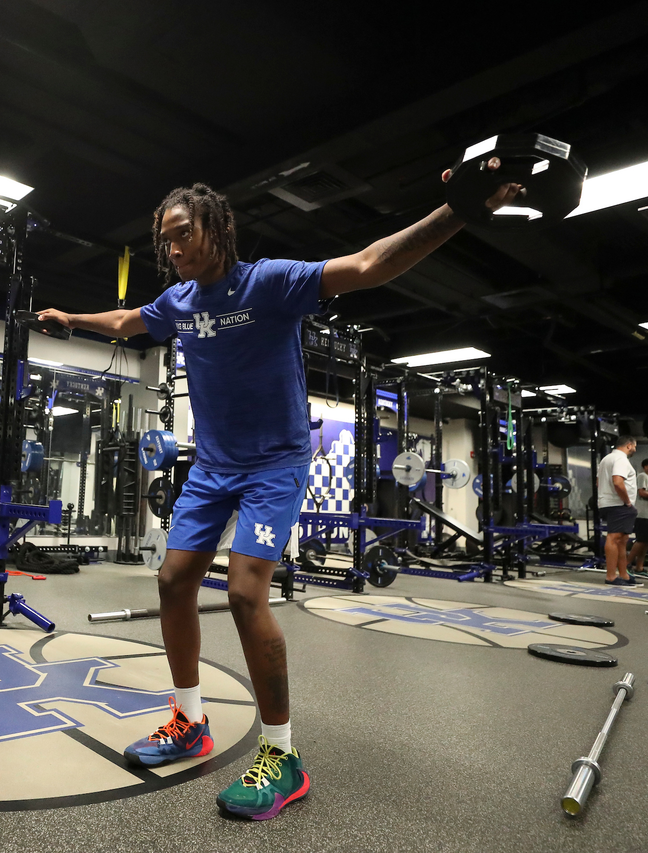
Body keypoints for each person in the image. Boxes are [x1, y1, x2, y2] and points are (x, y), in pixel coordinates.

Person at [37, 165, 523, 820]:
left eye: (181, 235)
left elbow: (372, 264)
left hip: (275, 461)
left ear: (215, 228)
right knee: (174, 579)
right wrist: (74, 317)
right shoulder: (180, 301)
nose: (173, 250)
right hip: (214, 464)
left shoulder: (269, 282)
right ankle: (189, 719)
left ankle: (282, 754)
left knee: (243, 592)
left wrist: (458, 210)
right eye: (165, 240)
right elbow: (130, 320)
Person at [597, 435, 639, 586]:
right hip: (618, 505)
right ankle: (611, 576)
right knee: (614, 538)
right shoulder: (621, 459)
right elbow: (617, 481)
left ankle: (623, 575)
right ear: (629, 445)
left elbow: (598, 482)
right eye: (634, 446)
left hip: (608, 503)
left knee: (622, 541)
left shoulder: (605, 459)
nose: (635, 449)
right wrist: (627, 501)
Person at [628, 457, 648, 579]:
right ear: (646, 467)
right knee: (641, 541)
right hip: (643, 515)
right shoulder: (642, 476)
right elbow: (641, 492)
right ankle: (626, 565)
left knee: (646, 543)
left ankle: (639, 568)